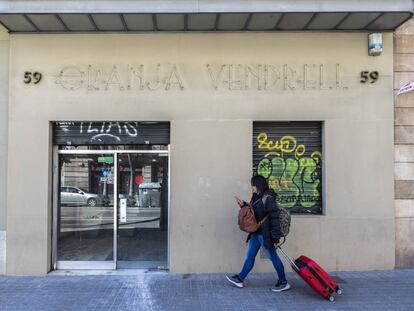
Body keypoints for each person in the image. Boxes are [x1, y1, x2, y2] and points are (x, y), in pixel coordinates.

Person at [226, 175, 290, 292]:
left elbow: (274, 218)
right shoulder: (256, 196)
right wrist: (243, 205)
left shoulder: (268, 198)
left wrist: (275, 238)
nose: (252, 188)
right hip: (256, 232)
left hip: (265, 234)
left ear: (259, 185)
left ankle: (283, 282)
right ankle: (240, 279)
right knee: (250, 256)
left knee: (273, 257)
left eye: (253, 186)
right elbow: (253, 211)